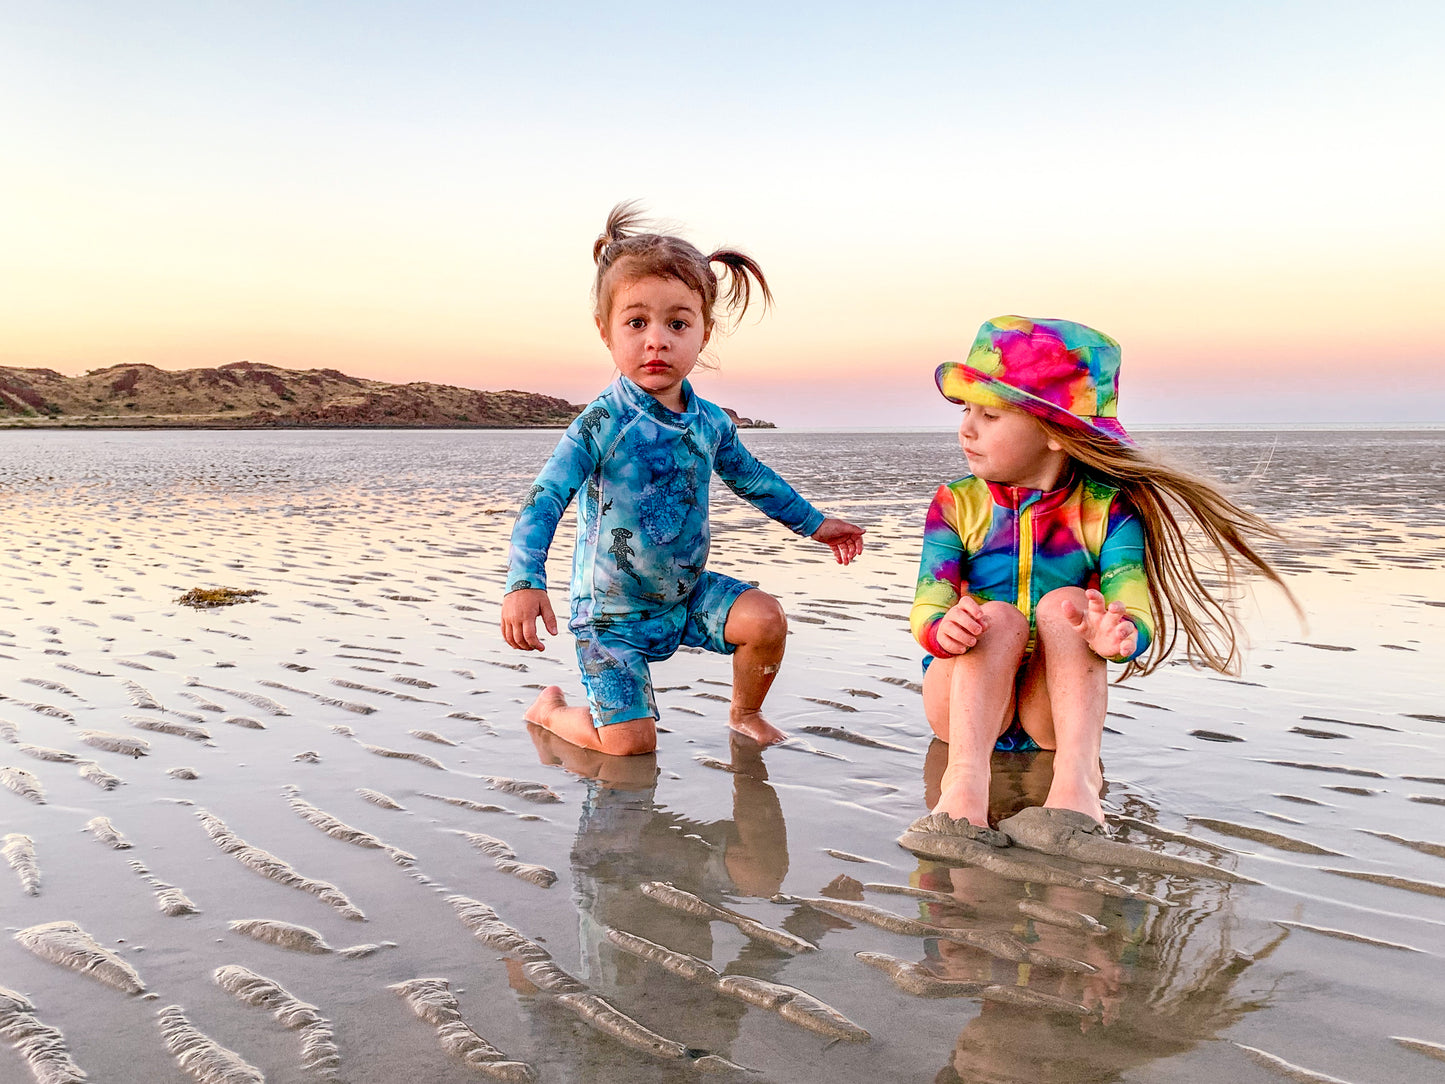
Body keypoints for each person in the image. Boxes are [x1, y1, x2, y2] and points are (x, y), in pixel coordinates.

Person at [909, 315, 1292, 846]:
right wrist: (941, 628)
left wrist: (1120, 633)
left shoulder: (1109, 511)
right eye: (966, 410)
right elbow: (928, 602)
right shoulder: (955, 503)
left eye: (990, 415)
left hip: (1050, 716)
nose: (966, 428)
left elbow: (1131, 603)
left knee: (1071, 605)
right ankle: (965, 782)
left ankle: (1077, 780)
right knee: (993, 616)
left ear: (1056, 433)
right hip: (963, 706)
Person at [501, 203, 865, 756]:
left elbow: (756, 480)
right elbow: (544, 498)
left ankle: (745, 714)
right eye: (637, 322)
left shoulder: (710, 422)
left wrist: (816, 525)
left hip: (686, 593)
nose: (657, 340)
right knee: (629, 747)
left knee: (764, 618)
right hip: (611, 616)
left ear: (703, 332)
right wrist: (524, 580)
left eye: (677, 323)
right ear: (606, 331)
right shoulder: (602, 423)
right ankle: (550, 712)